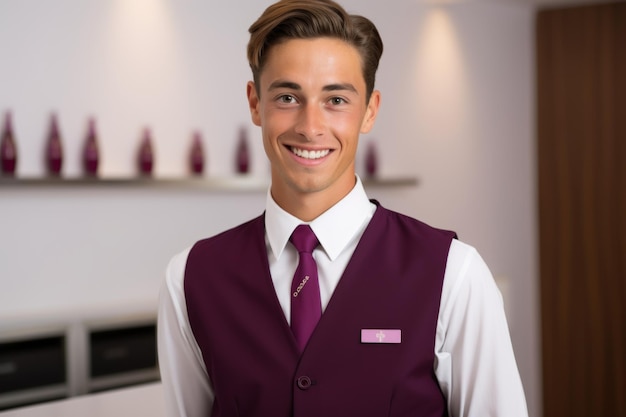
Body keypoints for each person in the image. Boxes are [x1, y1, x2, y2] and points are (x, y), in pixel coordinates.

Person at [157, 0, 529, 416]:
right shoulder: (188, 278)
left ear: (369, 111)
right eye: (286, 97)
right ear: (255, 103)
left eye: (335, 100)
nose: (310, 126)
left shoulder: (455, 275)